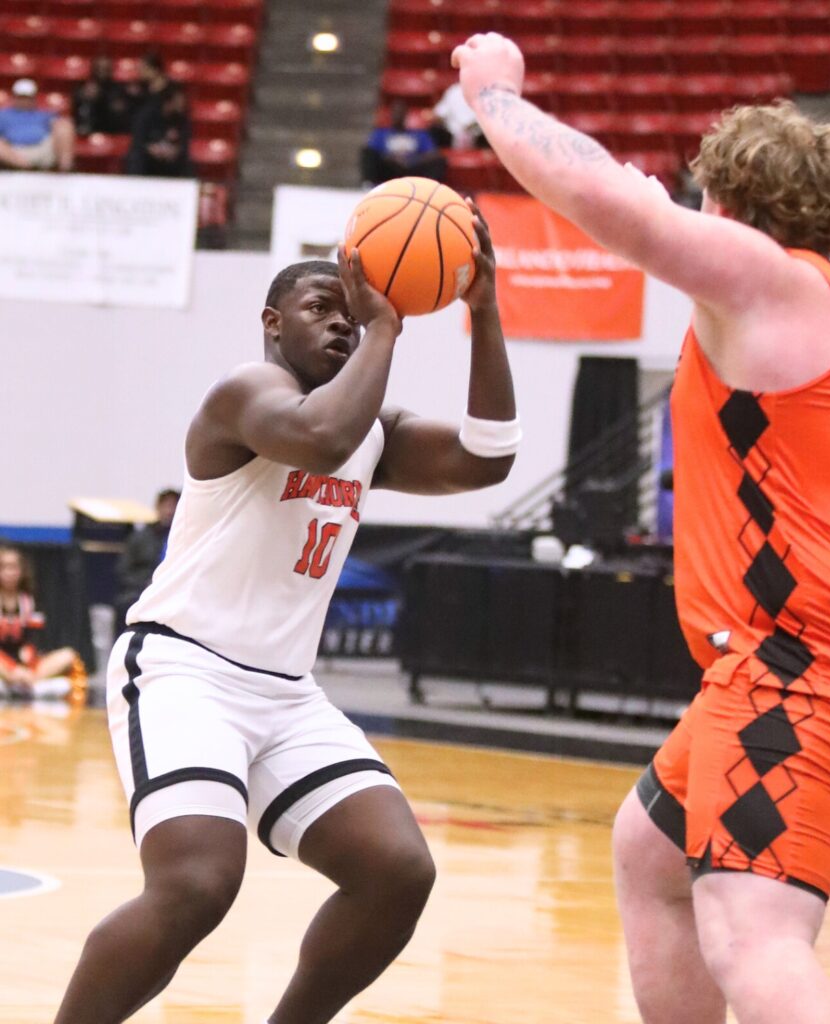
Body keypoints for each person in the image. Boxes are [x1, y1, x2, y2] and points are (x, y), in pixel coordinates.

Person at [451, 33, 830, 1024]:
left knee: (750, 932)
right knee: (651, 847)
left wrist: (494, 94)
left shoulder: (770, 282)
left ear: (729, 205)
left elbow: (612, 209)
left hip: (801, 672)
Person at [54, 205, 518, 1024]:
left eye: (352, 309)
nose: (344, 320)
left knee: (396, 872)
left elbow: (489, 458)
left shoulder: (373, 427)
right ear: (271, 323)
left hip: (284, 694)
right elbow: (321, 438)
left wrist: (483, 312)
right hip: (182, 670)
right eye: (322, 308)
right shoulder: (248, 392)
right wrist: (384, 326)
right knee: (197, 883)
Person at [0, 545, 87, 701]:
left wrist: (27, 658)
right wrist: (11, 669)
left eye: (13, 567)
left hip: (27, 664)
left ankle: (25, 686)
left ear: (21, 570)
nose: (9, 573)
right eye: (4, 567)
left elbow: (35, 637)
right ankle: (24, 685)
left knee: (68, 655)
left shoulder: (30, 601)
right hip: (3, 665)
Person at [114, 488, 180, 630]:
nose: (170, 511)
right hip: (142, 589)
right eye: (166, 506)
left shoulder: (184, 537)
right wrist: (146, 583)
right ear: (157, 507)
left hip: (176, 589)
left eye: (174, 506)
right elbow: (124, 570)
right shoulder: (140, 537)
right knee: (126, 603)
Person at [360, 100, 446, 186]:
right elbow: (371, 151)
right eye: (396, 112)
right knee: (367, 153)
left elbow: (432, 153)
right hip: (390, 169)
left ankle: (431, 187)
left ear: (406, 115)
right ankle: (370, 185)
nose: (398, 115)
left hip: (414, 168)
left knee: (439, 160)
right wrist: (392, 159)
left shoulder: (419, 134)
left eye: (401, 112)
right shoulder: (381, 133)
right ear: (391, 115)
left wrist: (412, 161)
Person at [0, 78, 74, 172]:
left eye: (27, 97)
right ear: (14, 97)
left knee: (65, 125)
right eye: (21, 97)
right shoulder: (3, 115)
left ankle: (65, 171)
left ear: (34, 97)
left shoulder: (44, 114)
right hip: (13, 151)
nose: (24, 100)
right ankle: (27, 168)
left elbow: (60, 127)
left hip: (41, 149)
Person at [125, 81, 192, 177]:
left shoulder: (182, 119)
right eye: (179, 100)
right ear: (169, 101)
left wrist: (174, 151)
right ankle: (136, 185)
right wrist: (152, 149)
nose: (182, 103)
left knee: (187, 162)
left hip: (170, 161)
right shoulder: (146, 115)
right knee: (136, 157)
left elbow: (184, 145)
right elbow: (138, 141)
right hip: (148, 159)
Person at [73, 56, 137, 136]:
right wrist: (83, 96)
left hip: (111, 130)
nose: (102, 72)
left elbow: (121, 110)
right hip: (89, 131)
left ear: (111, 70)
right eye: (99, 69)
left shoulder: (118, 89)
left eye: (105, 69)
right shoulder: (84, 87)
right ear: (94, 69)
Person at [429, 80, 485, 150]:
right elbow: (440, 113)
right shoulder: (454, 90)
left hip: (480, 135)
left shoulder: (487, 91)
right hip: (452, 133)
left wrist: (470, 126)